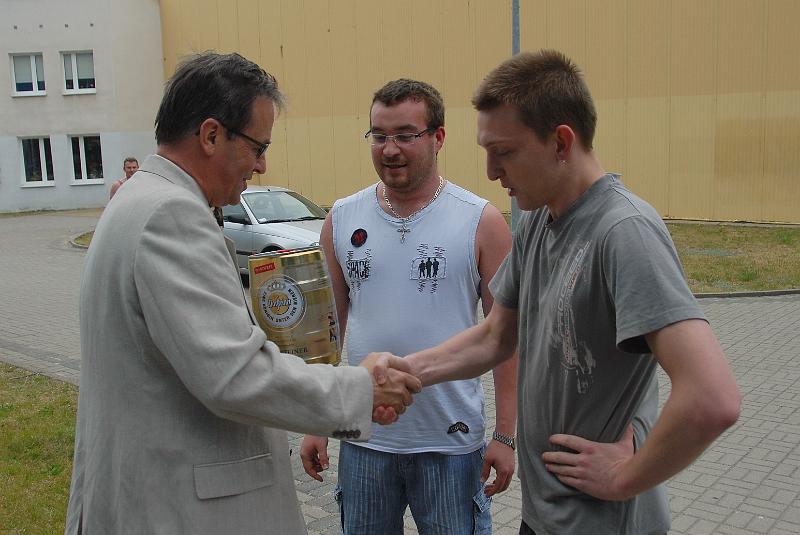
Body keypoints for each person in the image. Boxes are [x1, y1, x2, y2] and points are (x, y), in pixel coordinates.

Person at [372, 50, 742, 534]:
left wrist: (626, 477)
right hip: (544, 516)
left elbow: (712, 398)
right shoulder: (538, 220)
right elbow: (495, 337)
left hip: (602, 524)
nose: (491, 171)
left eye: (503, 152)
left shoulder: (623, 231)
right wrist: (400, 372)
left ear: (561, 142)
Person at [65, 52, 420, 535]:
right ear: (211, 135)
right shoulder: (171, 216)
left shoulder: (138, 198)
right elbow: (233, 375)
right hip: (179, 509)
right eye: (258, 146)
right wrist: (360, 389)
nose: (262, 164)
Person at [300, 79, 518, 534]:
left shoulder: (480, 220)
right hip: (363, 439)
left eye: (405, 135)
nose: (389, 149)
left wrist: (505, 435)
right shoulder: (341, 218)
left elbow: (508, 340)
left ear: (438, 137)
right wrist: (316, 420)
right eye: (379, 135)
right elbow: (326, 331)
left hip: (451, 444)